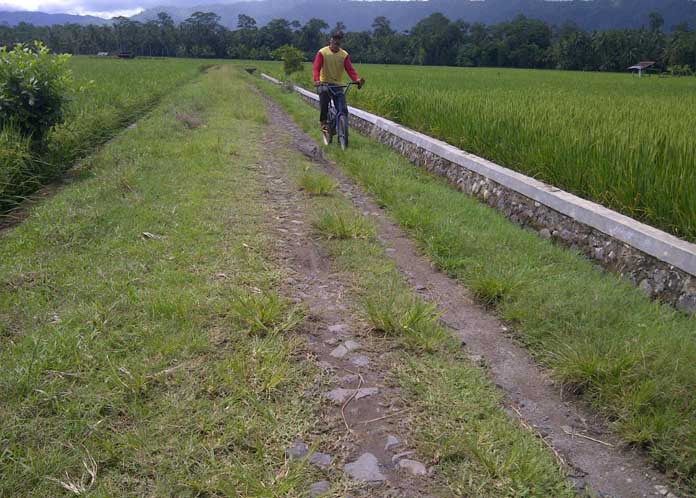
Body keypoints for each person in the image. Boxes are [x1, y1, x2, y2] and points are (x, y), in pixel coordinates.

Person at [313, 30, 365, 134]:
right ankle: (323, 123)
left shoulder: (344, 55)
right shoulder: (322, 52)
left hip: (337, 85)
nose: (337, 41)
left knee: (343, 109)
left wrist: (357, 80)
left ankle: (340, 130)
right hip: (324, 84)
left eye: (339, 39)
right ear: (330, 40)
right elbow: (316, 68)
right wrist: (317, 80)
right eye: (335, 39)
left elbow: (350, 70)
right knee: (324, 104)